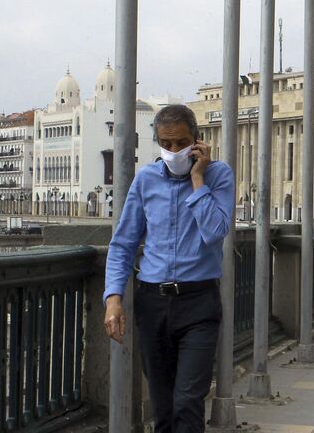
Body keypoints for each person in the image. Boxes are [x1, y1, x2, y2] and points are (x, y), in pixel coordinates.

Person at [103, 105, 236, 433]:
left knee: (188, 401)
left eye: (181, 142)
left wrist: (197, 179)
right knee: (162, 407)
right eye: (167, 143)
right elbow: (123, 244)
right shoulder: (146, 180)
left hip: (199, 302)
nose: (174, 150)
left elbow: (215, 231)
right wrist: (113, 297)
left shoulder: (219, 176)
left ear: (197, 141)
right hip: (154, 303)